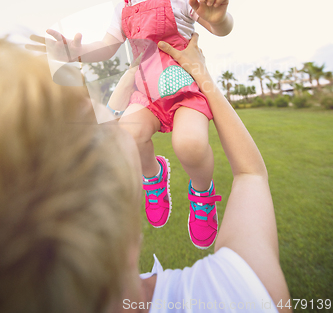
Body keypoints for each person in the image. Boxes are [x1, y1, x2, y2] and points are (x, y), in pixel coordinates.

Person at [0, 37, 291, 313]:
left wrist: (133, 67)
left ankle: (157, 175)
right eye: (92, 124)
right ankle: (197, 192)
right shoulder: (236, 296)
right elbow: (250, 174)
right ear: (123, 229)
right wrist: (200, 71)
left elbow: (114, 115)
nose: (102, 113)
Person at [27, 0, 234, 249]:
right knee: (127, 138)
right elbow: (108, 46)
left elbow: (220, 28)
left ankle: (202, 196)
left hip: (185, 90)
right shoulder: (124, 9)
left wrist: (219, 16)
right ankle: (154, 178)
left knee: (190, 145)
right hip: (147, 96)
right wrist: (76, 52)